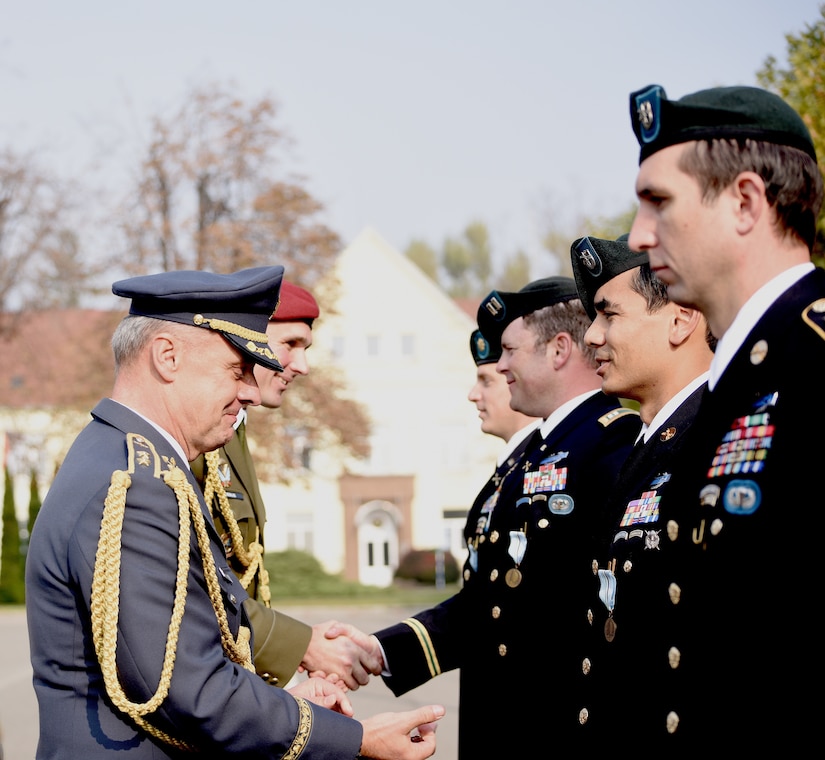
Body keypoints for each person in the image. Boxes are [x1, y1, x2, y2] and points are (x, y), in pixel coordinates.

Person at [25, 266, 444, 758]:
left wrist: (286, 704)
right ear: (167, 356)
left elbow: (192, 654)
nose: (249, 391)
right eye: (236, 370)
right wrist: (356, 739)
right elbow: (191, 691)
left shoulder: (135, 461)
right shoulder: (138, 484)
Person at [325, 277, 641, 758]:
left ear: (558, 350)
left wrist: (375, 651)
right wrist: (381, 651)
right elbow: (494, 602)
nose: (502, 364)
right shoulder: (544, 454)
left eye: (510, 352)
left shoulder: (609, 446)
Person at [623, 83, 824, 749]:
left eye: (658, 202)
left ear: (744, 202)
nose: (637, 235)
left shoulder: (811, 357)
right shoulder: (731, 384)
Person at [192, 280, 381, 691]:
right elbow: (196, 589)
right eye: (290, 344)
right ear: (246, 339)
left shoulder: (235, 435)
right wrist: (301, 647)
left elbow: (242, 585)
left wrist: (290, 679)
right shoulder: (193, 441)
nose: (302, 365)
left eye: (306, 349)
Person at [567, 233, 714, 743]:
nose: (591, 336)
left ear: (681, 319)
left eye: (610, 315)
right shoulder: (643, 448)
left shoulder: (714, 441)